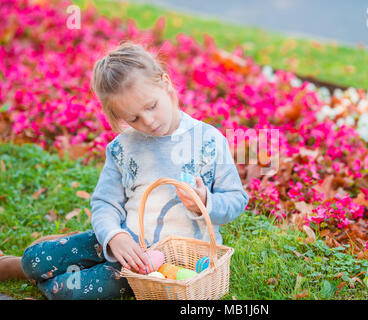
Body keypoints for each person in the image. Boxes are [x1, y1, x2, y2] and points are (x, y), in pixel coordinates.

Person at [0, 41, 249, 299]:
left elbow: (236, 199)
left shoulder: (207, 140)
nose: (149, 121)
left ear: (165, 84)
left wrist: (204, 203)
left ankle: (50, 275)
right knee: (33, 259)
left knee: (69, 292)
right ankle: (25, 266)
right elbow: (106, 202)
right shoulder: (123, 147)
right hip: (125, 243)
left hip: (166, 264)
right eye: (133, 118)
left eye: (151, 106)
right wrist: (114, 236)